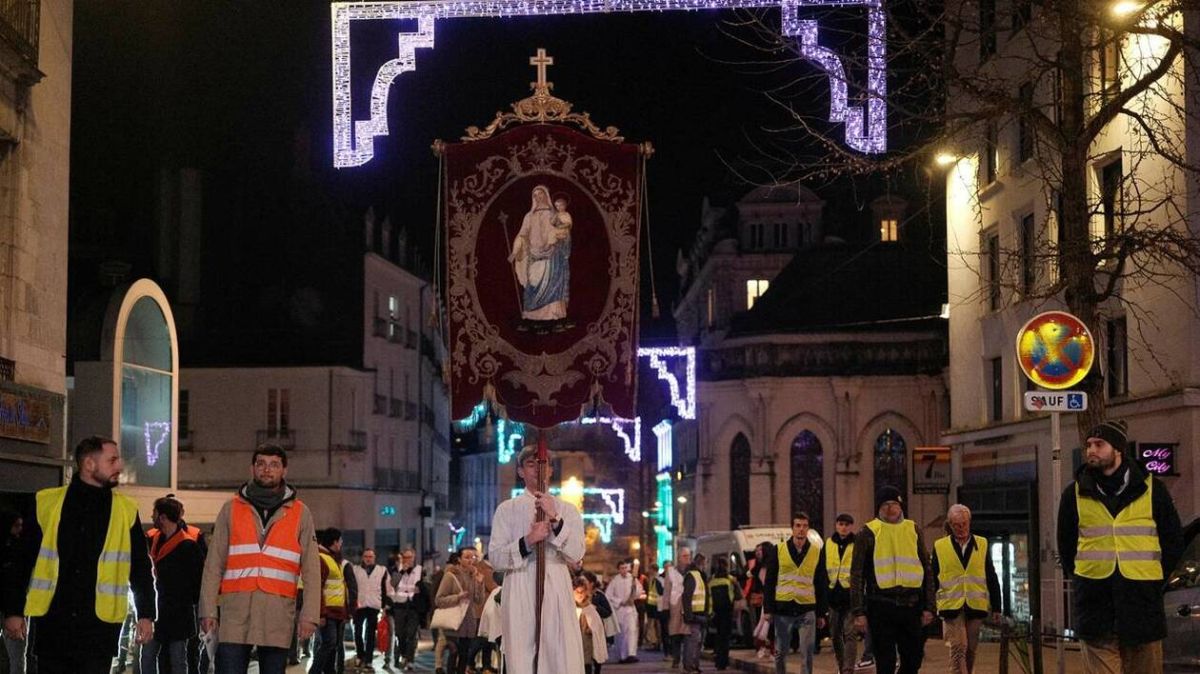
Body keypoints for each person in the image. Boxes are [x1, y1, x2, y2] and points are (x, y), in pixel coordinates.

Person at [0, 436, 156, 674]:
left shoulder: (125, 510)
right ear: (89, 465)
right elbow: (21, 562)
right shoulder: (46, 503)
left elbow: (140, 566)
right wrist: (13, 610)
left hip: (98, 630)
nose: (119, 466)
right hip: (54, 626)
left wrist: (146, 614)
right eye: (112, 460)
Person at [1057, 420, 1184, 674]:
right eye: (1089, 445)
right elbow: (1067, 546)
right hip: (1095, 605)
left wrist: (1152, 578)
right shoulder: (1075, 494)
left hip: (1141, 604)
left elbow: (1173, 541)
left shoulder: (1152, 490)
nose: (1091, 450)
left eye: (1099, 444)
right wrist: (1084, 578)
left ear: (1117, 449)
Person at [198, 443, 321, 674]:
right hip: (235, 613)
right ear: (252, 469)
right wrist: (208, 611)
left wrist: (310, 615)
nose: (267, 469)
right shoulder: (231, 509)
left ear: (284, 470)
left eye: (274, 465)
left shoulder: (300, 513)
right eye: (261, 464)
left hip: (277, 615)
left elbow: (312, 570)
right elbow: (213, 564)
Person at [488, 444, 586, 674]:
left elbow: (576, 553)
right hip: (520, 583)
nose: (538, 470)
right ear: (521, 471)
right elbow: (496, 558)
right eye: (531, 464)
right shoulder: (507, 509)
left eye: (543, 464)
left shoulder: (568, 510)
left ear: (551, 470)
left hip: (556, 584)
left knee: (558, 654)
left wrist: (555, 519)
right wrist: (528, 540)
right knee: (522, 655)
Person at [849, 486, 935, 674]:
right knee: (885, 663)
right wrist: (859, 612)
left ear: (901, 506)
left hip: (911, 606)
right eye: (885, 504)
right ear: (879, 507)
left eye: (894, 504)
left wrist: (930, 607)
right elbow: (856, 574)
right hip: (881, 606)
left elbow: (927, 570)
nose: (890, 508)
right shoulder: (867, 532)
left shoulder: (913, 529)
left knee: (913, 660)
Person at [932, 504, 1002, 674]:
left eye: (964, 524)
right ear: (950, 524)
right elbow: (933, 578)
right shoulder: (940, 546)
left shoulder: (982, 544)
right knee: (958, 647)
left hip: (975, 605)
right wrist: (929, 605)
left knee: (970, 650)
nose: (961, 528)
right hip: (950, 605)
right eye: (956, 525)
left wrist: (997, 607)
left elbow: (991, 576)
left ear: (969, 522)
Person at [143, 495, 205, 674]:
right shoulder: (154, 540)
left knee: (178, 660)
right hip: (156, 611)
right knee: (147, 658)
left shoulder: (188, 546)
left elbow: (198, 582)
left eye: (154, 513)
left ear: (163, 517)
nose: (151, 516)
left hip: (178, 614)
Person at [763, 512, 828, 674]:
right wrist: (768, 609)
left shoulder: (816, 552)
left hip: (807, 609)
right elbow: (769, 582)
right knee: (780, 652)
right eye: (798, 526)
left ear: (808, 529)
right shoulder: (778, 550)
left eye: (805, 526)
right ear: (792, 528)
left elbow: (821, 584)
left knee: (807, 653)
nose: (801, 529)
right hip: (783, 609)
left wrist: (821, 613)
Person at [508, 185, 571, 322]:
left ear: (546, 195)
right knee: (534, 283)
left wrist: (560, 238)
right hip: (534, 255)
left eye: (540, 194)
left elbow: (564, 232)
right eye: (535, 195)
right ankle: (533, 315)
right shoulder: (529, 216)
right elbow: (522, 235)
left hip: (553, 255)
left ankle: (553, 314)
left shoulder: (554, 215)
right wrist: (515, 251)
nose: (538, 197)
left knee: (553, 284)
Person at [436, 546, 488, 674]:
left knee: (464, 656)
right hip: (454, 621)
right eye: (467, 557)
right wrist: (457, 597)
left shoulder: (474, 575)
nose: (471, 560)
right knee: (454, 654)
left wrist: (480, 584)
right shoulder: (450, 576)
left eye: (473, 557)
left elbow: (479, 601)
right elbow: (439, 599)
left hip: (468, 622)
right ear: (459, 559)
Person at [311, 528, 351, 674]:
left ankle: (329, 671)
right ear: (334, 542)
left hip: (337, 612)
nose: (341, 544)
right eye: (340, 541)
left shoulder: (333, 558)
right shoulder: (321, 558)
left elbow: (340, 587)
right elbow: (317, 588)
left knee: (333, 646)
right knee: (329, 643)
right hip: (328, 612)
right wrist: (320, 613)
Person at [825, 513, 860, 674]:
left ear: (851, 526)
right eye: (841, 524)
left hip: (850, 596)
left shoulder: (857, 543)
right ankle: (842, 665)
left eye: (847, 524)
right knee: (835, 635)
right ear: (836, 526)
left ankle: (848, 669)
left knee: (850, 634)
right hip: (833, 596)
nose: (844, 527)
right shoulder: (829, 544)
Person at [388, 548, 425, 671]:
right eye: (405, 557)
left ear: (414, 558)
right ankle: (403, 654)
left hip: (413, 607)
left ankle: (410, 660)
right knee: (400, 633)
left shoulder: (419, 570)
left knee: (411, 634)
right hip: (400, 606)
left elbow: (424, 587)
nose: (408, 560)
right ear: (402, 558)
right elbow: (392, 584)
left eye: (410, 557)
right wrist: (401, 571)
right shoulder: (395, 570)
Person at [352, 549, 389, 672]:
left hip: (374, 605)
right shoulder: (356, 570)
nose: (368, 558)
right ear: (362, 557)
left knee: (371, 634)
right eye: (366, 556)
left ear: (374, 558)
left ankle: (368, 660)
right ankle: (360, 654)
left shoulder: (381, 570)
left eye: (371, 556)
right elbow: (352, 588)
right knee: (357, 632)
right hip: (360, 605)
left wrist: (384, 607)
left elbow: (384, 589)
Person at [604, 559, 643, 664]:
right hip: (620, 610)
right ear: (619, 569)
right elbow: (608, 596)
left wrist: (634, 595)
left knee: (632, 631)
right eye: (622, 568)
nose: (624, 570)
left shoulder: (632, 579)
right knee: (621, 633)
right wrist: (620, 602)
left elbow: (639, 590)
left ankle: (631, 654)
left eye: (626, 568)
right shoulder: (615, 581)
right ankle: (622, 655)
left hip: (630, 609)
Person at [708, 556, 743, 671]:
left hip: (716, 612)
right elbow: (739, 595)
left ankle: (718, 662)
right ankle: (724, 662)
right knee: (725, 638)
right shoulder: (730, 579)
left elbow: (709, 596)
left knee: (718, 637)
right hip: (727, 611)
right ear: (727, 566)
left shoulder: (712, 579)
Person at [0, 511, 24, 674]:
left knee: (15, 656)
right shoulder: (16, 551)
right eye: (17, 525)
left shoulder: (18, 549)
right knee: (15, 656)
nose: (20, 530)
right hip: (13, 607)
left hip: (14, 607)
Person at [679, 549, 707, 674]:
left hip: (699, 614)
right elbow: (686, 596)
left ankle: (694, 665)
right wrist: (689, 615)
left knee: (696, 643)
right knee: (692, 642)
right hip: (694, 616)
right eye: (705, 563)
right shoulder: (693, 576)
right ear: (701, 563)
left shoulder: (696, 575)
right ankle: (689, 666)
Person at [431, 553, 460, 674]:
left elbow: (433, 592)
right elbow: (436, 594)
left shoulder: (441, 573)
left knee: (442, 639)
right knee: (446, 639)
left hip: (443, 609)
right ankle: (443, 666)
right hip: (450, 609)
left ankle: (439, 666)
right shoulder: (451, 574)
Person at [574, 575, 607, 674]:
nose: (580, 595)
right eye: (577, 592)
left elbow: (598, 629)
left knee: (587, 664)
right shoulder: (570, 609)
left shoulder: (590, 609)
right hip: (576, 646)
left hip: (588, 645)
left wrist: (591, 629)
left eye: (582, 592)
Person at [656, 562, 673, 660]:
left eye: (670, 567)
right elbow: (661, 591)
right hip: (663, 608)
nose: (668, 569)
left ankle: (673, 652)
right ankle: (667, 653)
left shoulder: (674, 577)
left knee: (672, 631)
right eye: (666, 567)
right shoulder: (659, 579)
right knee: (665, 631)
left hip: (673, 607)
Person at [643, 563, 661, 650]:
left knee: (657, 625)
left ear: (653, 570)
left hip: (656, 605)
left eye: (650, 569)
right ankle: (654, 641)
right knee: (653, 625)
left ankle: (657, 642)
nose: (648, 571)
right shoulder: (651, 579)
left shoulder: (657, 579)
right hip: (651, 605)